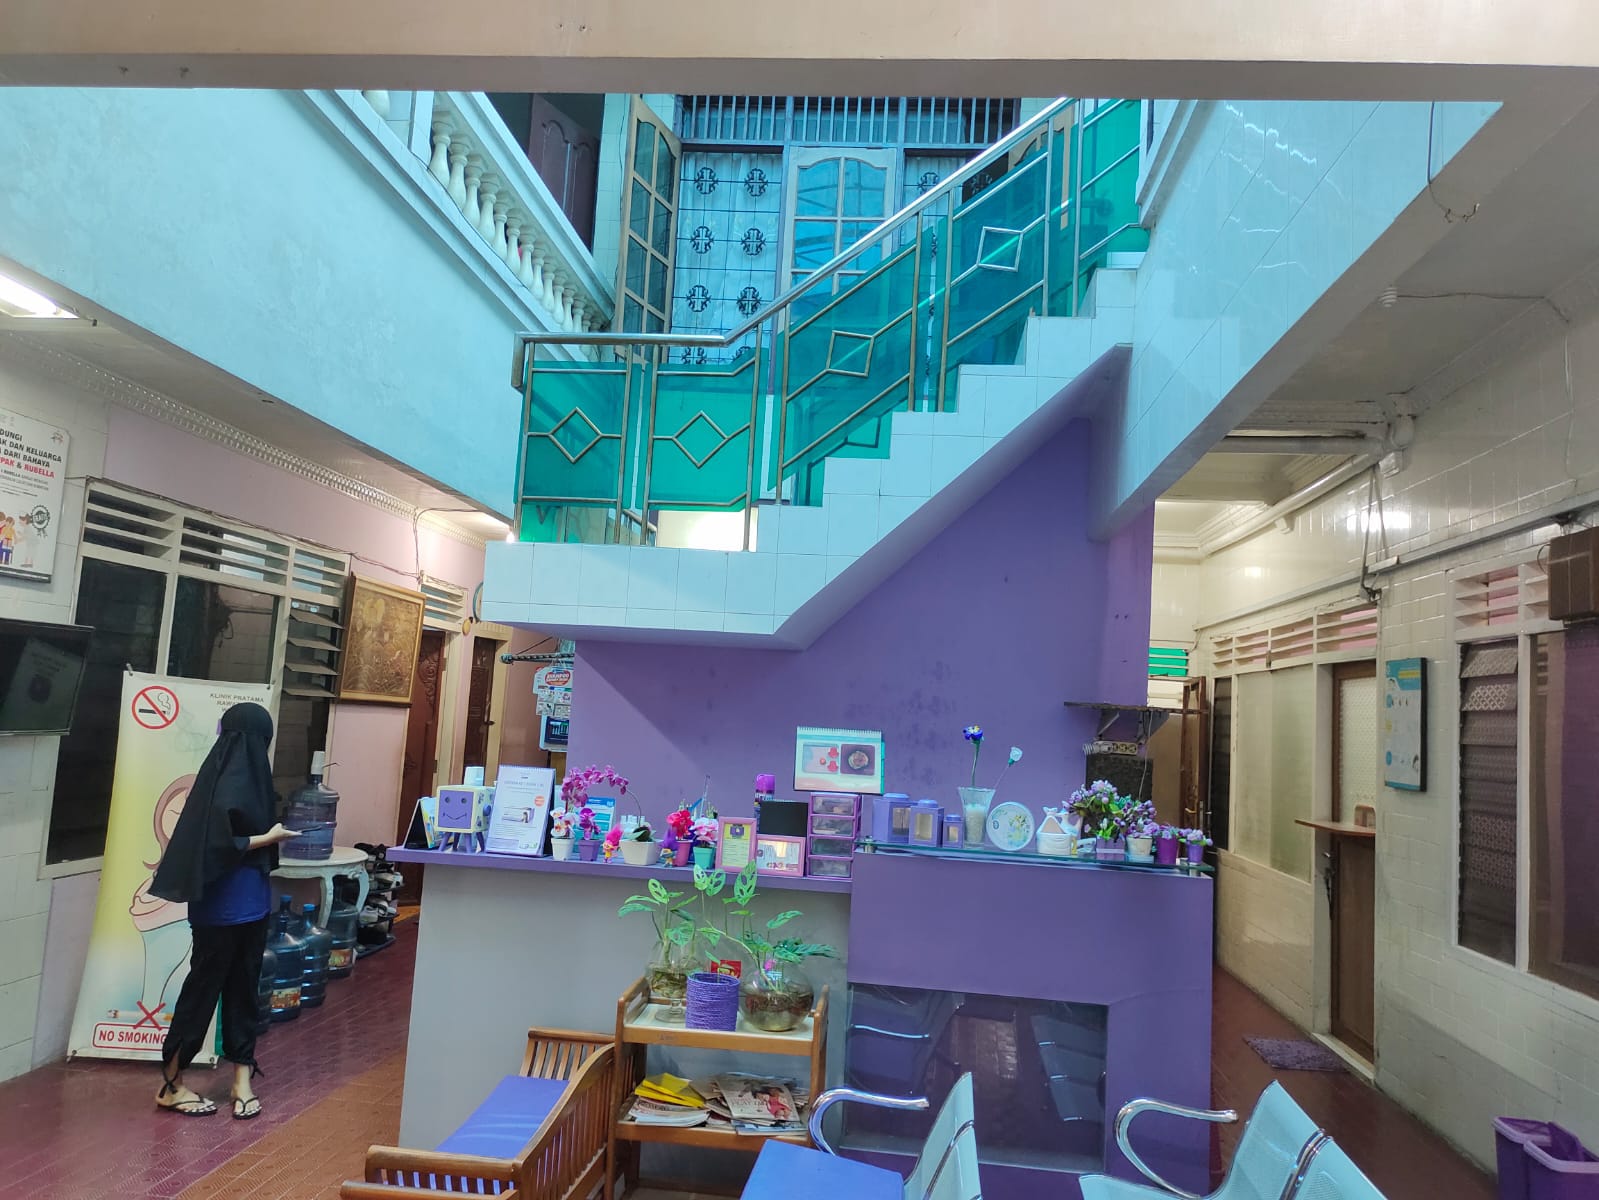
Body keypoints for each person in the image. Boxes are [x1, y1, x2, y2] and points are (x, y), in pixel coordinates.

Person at [149, 703, 299, 1118]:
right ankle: (171, 1084)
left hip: (252, 903)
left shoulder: (247, 780)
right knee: (203, 990)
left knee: (244, 989)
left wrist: (267, 839)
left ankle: (242, 1080)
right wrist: (266, 839)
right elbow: (217, 844)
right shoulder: (220, 784)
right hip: (219, 908)